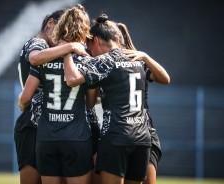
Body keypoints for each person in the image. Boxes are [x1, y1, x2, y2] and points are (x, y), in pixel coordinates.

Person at [62, 14, 169, 184]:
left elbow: (73, 81)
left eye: (89, 46)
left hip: (116, 136)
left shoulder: (104, 61)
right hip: (142, 138)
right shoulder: (135, 58)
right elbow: (165, 79)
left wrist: (66, 51)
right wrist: (146, 56)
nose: (89, 52)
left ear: (96, 41)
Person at [19, 4, 96, 184]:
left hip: (45, 133)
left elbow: (24, 98)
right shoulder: (85, 59)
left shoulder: (47, 58)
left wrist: (22, 105)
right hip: (73, 134)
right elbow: (91, 102)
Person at [116, 22, 170, 184]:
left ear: (118, 39)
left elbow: (165, 79)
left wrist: (145, 56)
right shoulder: (101, 64)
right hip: (114, 135)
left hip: (143, 133)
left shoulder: (136, 63)